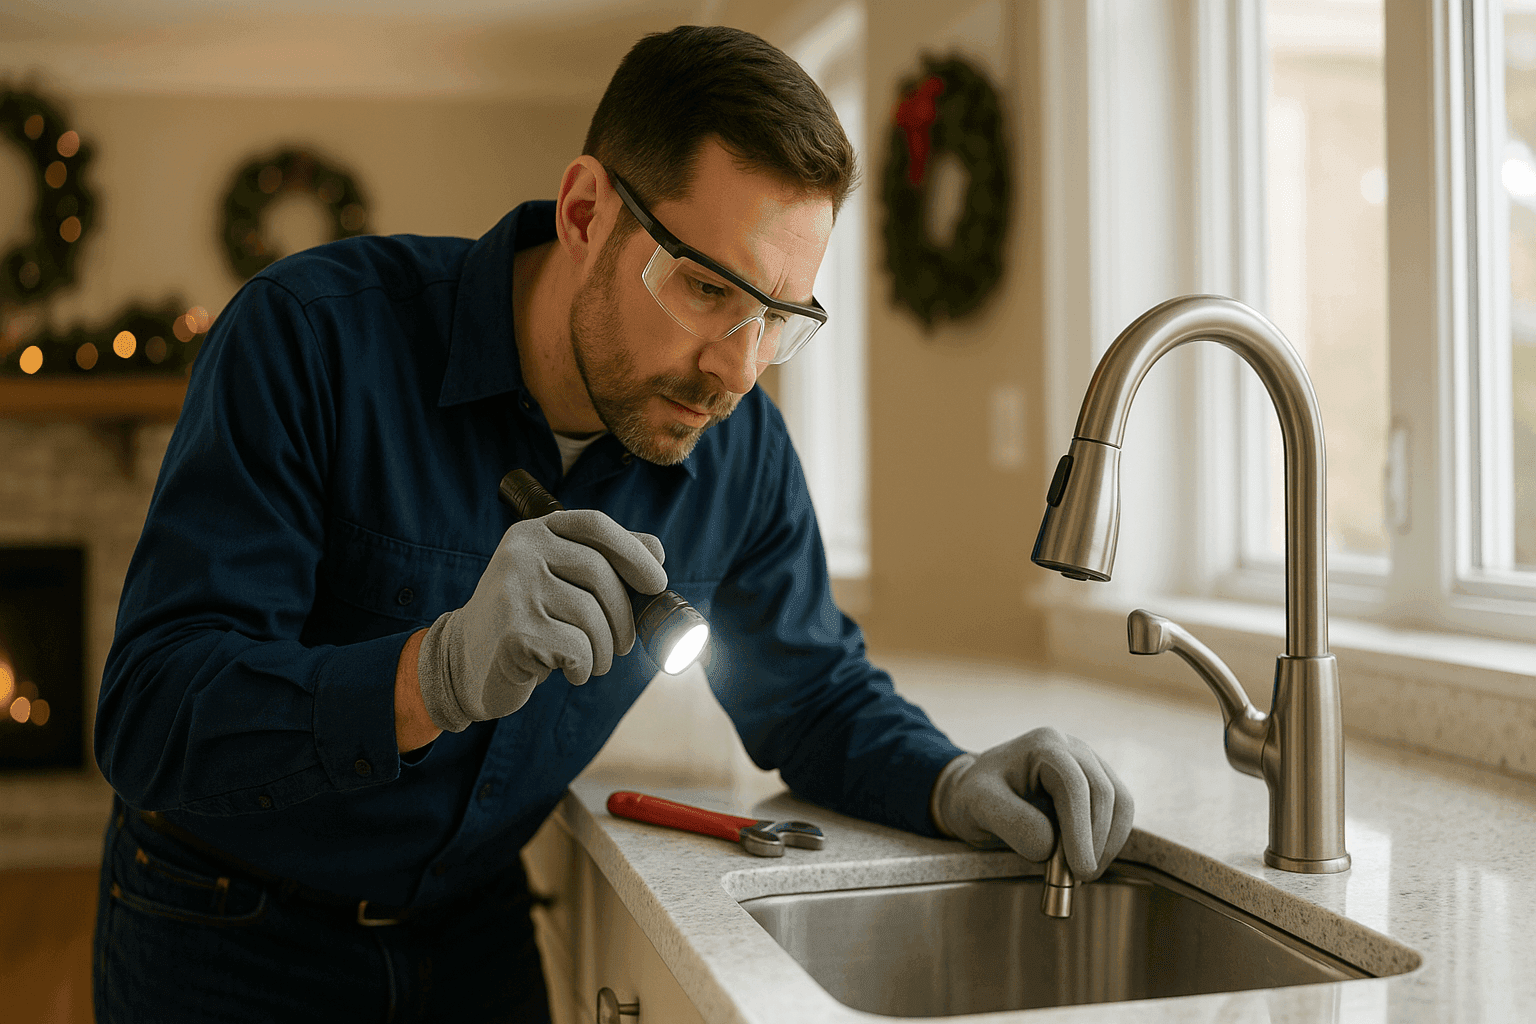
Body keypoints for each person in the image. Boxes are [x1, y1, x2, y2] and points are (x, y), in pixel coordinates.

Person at [92, 24, 1133, 1024]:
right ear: (586, 209)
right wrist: (432, 674)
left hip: (471, 934)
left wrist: (952, 779)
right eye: (703, 287)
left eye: (779, 316)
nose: (736, 367)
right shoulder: (312, 338)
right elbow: (150, 716)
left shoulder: (744, 454)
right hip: (224, 936)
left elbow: (813, 695)